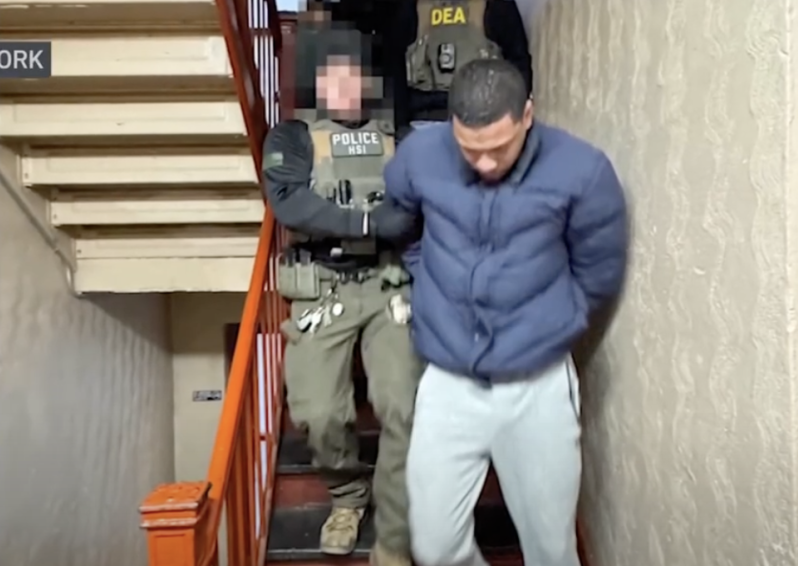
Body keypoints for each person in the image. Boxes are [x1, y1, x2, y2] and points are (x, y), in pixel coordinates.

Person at [382, 58, 629, 566]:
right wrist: (426, 276)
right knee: (434, 546)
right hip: (448, 381)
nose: (485, 163)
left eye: (499, 148)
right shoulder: (419, 155)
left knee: (551, 551)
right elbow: (400, 222)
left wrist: (553, 322)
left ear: (527, 116)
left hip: (536, 387)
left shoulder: (582, 170)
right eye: (470, 149)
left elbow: (598, 269)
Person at [261, 34, 421, 566]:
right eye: (334, 76)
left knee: (404, 405)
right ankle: (348, 496)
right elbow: (291, 202)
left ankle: (396, 526)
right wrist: (370, 222)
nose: (346, 87)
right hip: (322, 287)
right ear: (317, 84)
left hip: (387, 283)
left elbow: (419, 200)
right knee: (319, 412)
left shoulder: (398, 136)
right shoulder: (293, 136)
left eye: (355, 76)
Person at [384, 0, 533, 135]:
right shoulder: (410, 6)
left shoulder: (497, 5)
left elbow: (518, 66)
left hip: (482, 119)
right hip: (428, 119)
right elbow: (395, 69)